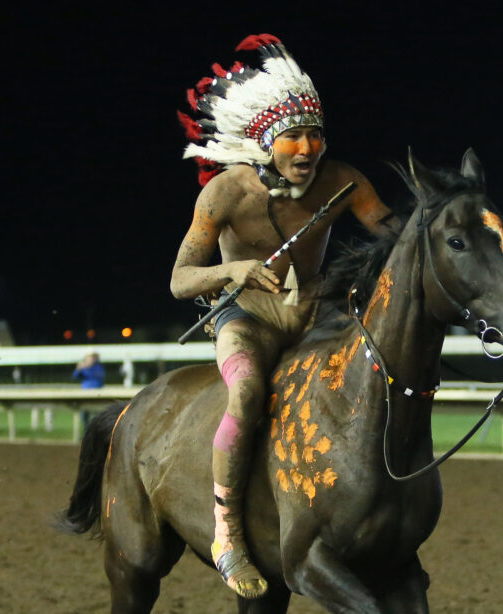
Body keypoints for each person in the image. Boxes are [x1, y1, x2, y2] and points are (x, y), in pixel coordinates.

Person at [171, 34, 400, 599]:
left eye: (315, 135)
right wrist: (233, 271)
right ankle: (228, 535)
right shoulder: (225, 192)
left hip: (317, 317)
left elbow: (395, 235)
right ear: (264, 141)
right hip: (247, 320)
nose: (306, 149)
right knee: (247, 394)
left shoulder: (343, 181)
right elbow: (180, 280)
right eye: (292, 136)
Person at [73, 353, 105, 431]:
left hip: (96, 395)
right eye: (89, 358)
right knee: (84, 416)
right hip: (85, 395)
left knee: (96, 415)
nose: (90, 360)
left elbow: (98, 375)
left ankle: (95, 433)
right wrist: (78, 369)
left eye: (92, 358)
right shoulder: (84, 368)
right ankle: (86, 433)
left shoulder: (98, 367)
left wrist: (86, 368)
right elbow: (75, 376)